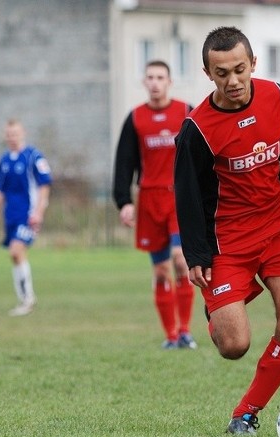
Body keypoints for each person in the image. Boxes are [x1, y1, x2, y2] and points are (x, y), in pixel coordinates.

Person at [174, 26, 280, 435]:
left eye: (240, 70)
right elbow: (188, 196)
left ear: (253, 65)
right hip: (227, 235)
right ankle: (219, 305)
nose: (233, 81)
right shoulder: (198, 129)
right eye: (222, 73)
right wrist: (196, 255)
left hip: (277, 222)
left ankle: (247, 412)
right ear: (208, 74)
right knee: (233, 346)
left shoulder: (276, 97)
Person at [112, 60, 197, 350]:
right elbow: (123, 163)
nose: (155, 82)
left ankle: (186, 331)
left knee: (180, 260)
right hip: (149, 199)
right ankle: (170, 336)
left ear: (170, 81)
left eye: (161, 77)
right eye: (150, 77)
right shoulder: (135, 118)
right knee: (161, 270)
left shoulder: (187, 111)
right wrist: (124, 201)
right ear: (144, 82)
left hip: (179, 198)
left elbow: (205, 151)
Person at [0, 119, 52, 317]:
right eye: (9, 134)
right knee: (15, 257)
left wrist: (39, 212)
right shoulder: (4, 160)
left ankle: (28, 299)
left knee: (16, 251)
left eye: (15, 134)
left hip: (28, 216)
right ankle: (24, 299)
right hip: (11, 216)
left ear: (23, 134)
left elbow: (44, 186)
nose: (12, 138)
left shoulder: (33, 157)